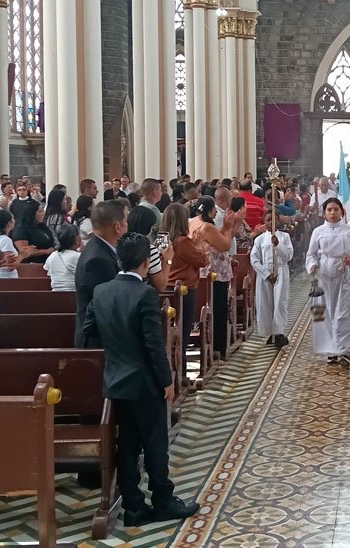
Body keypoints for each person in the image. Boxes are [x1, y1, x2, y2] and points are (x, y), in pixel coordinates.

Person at [82, 232, 199, 525]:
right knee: (156, 443)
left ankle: (134, 506)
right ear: (146, 262)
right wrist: (167, 380)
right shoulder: (145, 294)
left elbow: (89, 331)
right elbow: (153, 345)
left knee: (128, 445)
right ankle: (163, 500)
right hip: (146, 382)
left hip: (116, 380)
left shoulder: (101, 291)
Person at [307, 198, 350, 368]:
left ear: (341, 212)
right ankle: (329, 350)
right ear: (324, 212)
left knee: (343, 311)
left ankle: (344, 350)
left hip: (342, 274)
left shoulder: (349, 230)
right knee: (323, 312)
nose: (332, 213)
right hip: (323, 276)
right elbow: (311, 254)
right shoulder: (318, 231)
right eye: (329, 209)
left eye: (336, 209)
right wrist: (313, 265)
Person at [194, 196, 244, 360]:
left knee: (214, 308)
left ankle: (215, 346)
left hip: (205, 273)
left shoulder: (194, 222)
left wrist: (232, 225)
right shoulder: (207, 226)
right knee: (218, 309)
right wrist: (229, 227)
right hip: (213, 274)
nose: (216, 212)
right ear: (208, 210)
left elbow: (219, 237)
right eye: (214, 209)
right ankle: (218, 347)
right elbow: (225, 245)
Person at [75, 199, 129, 348]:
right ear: (117, 227)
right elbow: (109, 304)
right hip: (99, 341)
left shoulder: (101, 249)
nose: (127, 227)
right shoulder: (98, 259)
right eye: (126, 222)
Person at [163, 202, 210, 367]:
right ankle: (180, 370)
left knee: (167, 333)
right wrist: (198, 246)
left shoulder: (162, 239)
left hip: (165, 288)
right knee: (182, 332)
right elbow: (202, 260)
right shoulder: (182, 242)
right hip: (183, 290)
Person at [251, 209, 293, 349]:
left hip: (280, 271)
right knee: (266, 303)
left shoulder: (284, 237)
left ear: (278, 221)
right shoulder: (260, 239)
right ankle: (271, 332)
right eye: (268, 220)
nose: (271, 222)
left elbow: (288, 256)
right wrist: (266, 274)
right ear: (264, 221)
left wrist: (278, 245)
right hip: (266, 275)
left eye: (273, 220)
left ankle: (279, 332)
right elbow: (254, 259)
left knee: (280, 302)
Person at [127, 206, 169, 293]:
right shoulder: (149, 250)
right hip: (143, 296)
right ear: (148, 228)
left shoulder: (121, 244)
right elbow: (161, 286)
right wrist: (168, 260)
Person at [11, 199, 56, 264]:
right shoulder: (21, 229)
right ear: (32, 213)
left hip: (47, 262)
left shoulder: (42, 226)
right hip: (31, 264)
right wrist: (45, 251)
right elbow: (23, 251)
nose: (43, 214)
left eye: (43, 211)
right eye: (40, 212)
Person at [44, 224, 81, 292]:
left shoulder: (53, 255)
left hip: (54, 294)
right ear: (76, 240)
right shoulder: (78, 256)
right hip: (74, 295)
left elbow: (48, 272)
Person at [0, 210, 22, 278]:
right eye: (13, 219)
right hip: (5, 279)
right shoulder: (5, 240)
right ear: (9, 223)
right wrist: (23, 255)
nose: (14, 221)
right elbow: (10, 266)